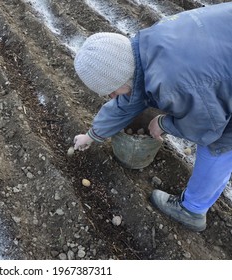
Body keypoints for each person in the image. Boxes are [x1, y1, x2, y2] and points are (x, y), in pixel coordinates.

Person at [72, 2, 232, 232]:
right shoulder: (147, 45)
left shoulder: (172, 84)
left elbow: (207, 126)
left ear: (120, 78)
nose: (110, 96)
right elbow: (130, 98)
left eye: (110, 91)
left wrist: (163, 123)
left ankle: (192, 210)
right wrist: (92, 135)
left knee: (221, 143)